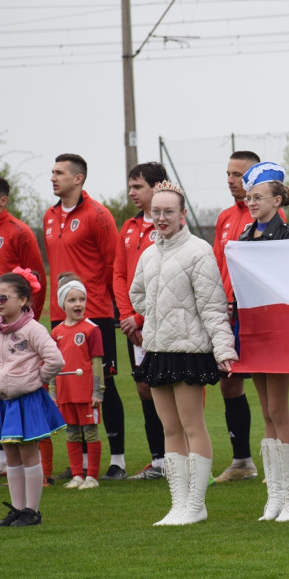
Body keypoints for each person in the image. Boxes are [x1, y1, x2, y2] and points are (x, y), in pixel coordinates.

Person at [131, 180, 237, 525]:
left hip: (189, 351)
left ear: (182, 214)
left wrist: (223, 349)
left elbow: (212, 306)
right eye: (156, 212)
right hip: (158, 350)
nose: (161, 218)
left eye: (168, 212)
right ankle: (178, 503)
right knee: (169, 428)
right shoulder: (148, 253)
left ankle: (196, 503)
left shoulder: (199, 251)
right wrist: (162, 312)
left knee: (193, 425)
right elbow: (137, 295)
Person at [43, 153, 125, 480]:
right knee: (66, 385)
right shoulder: (49, 216)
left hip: (96, 314)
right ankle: (80, 462)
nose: (53, 177)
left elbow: (112, 265)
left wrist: (108, 306)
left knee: (106, 383)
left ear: (78, 178)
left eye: (59, 173)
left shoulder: (98, 215)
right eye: (52, 172)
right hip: (59, 318)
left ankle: (116, 458)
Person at [235, 162, 289, 522]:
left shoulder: (288, 235)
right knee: (266, 413)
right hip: (252, 332)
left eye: (258, 197)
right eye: (248, 197)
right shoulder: (245, 236)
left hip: (277, 332)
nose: (251, 202)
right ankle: (274, 494)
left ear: (277, 200)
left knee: (279, 410)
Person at [0, 174, 47, 480]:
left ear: (2, 200)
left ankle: (25, 455)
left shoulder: (19, 232)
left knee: (18, 391)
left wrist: (28, 322)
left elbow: (37, 280)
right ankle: (3, 458)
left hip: (13, 328)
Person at [0, 269, 66, 527]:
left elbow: (56, 360)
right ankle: (17, 510)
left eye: (4, 298)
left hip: (26, 401)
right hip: (3, 402)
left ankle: (32, 511)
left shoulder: (33, 329)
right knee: (11, 455)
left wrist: (36, 379)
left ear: (23, 300)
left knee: (29, 455)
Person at [114, 161, 167, 480]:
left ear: (157, 187)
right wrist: (125, 317)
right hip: (133, 326)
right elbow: (119, 273)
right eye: (131, 186)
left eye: (138, 187)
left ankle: (181, 457)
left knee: (169, 388)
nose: (132, 192)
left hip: (159, 320)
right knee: (144, 388)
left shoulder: (167, 225)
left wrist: (138, 317)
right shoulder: (129, 227)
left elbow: (165, 278)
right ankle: (158, 460)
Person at [211, 150, 262, 483]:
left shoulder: (271, 216)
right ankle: (242, 461)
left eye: (238, 174)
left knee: (267, 386)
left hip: (255, 314)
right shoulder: (225, 217)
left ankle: (277, 463)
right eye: (228, 174)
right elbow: (217, 267)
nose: (231, 180)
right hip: (226, 312)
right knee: (229, 385)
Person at [52, 273, 104, 490]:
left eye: (81, 299)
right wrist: (53, 392)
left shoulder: (91, 329)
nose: (78, 304)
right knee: (72, 433)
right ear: (62, 303)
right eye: (72, 300)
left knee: (90, 433)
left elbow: (97, 362)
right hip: (66, 393)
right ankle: (77, 475)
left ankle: (92, 476)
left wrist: (98, 391)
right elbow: (53, 365)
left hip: (85, 393)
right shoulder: (56, 332)